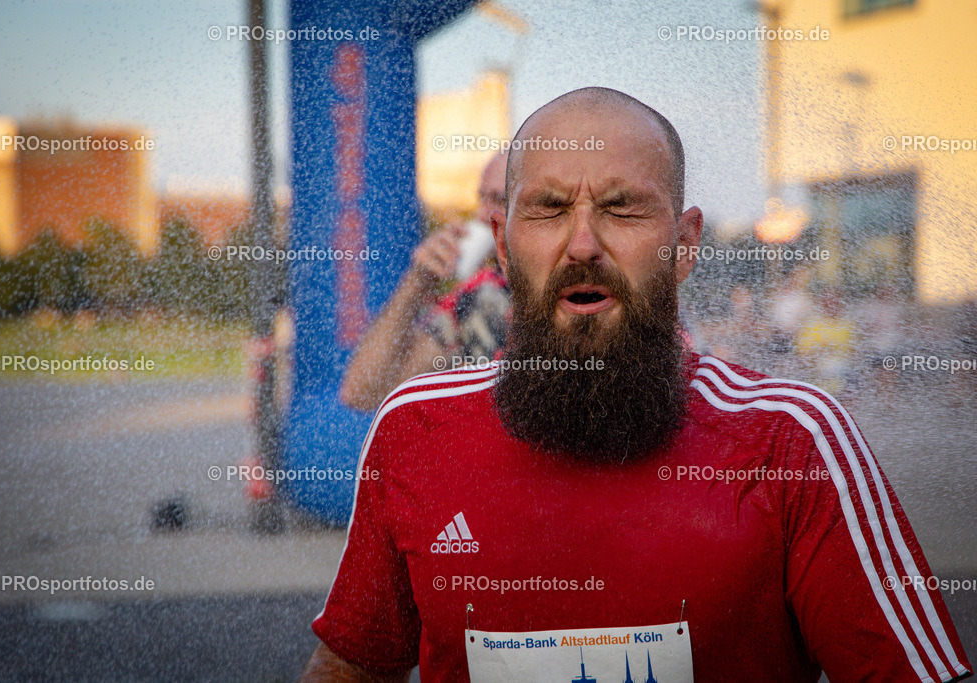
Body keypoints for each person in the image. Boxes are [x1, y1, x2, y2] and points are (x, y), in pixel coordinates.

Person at [302, 88, 971, 682]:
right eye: (549, 208)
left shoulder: (793, 442)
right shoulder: (415, 429)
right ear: (505, 249)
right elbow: (354, 665)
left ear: (685, 246)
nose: (584, 243)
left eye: (622, 209)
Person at [338, 152, 511, 412]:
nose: (481, 215)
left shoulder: (578, 286)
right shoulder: (481, 293)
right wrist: (417, 282)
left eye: (498, 199)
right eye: (481, 199)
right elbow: (362, 393)